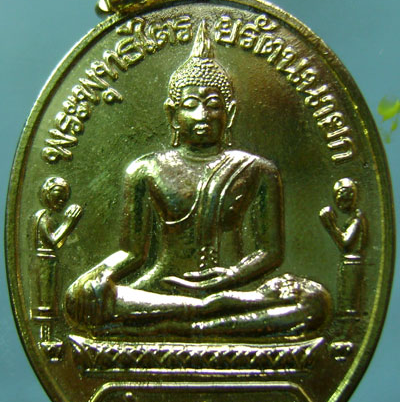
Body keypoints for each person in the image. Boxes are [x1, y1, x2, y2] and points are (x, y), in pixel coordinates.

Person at [65, 22, 330, 338]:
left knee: (315, 303)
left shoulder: (258, 169)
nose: (202, 115)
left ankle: (201, 314)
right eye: (190, 105)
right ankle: (203, 313)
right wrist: (100, 274)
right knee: (81, 301)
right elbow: (133, 253)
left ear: (230, 113)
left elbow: (270, 252)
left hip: (235, 291)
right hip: (159, 291)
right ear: (172, 114)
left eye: (213, 105)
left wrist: (228, 278)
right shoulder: (146, 169)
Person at [33, 177, 82, 340]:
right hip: (43, 263)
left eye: (64, 197)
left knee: (50, 300)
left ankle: (48, 335)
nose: (62, 200)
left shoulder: (49, 217)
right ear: (47, 194)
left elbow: (57, 243)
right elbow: (53, 241)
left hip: (49, 262)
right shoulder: (43, 217)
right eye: (58, 194)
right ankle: (46, 336)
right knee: (45, 301)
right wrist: (69, 222)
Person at [320, 178, 367, 315]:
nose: (341, 203)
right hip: (348, 264)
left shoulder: (357, 219)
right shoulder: (353, 218)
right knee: (346, 304)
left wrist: (330, 225)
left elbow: (346, 243)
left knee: (349, 307)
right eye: (339, 200)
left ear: (353, 197)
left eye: (345, 199)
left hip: (353, 265)